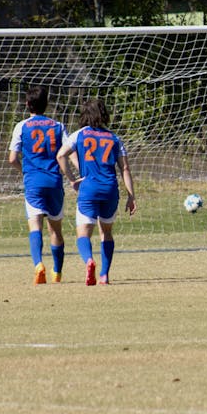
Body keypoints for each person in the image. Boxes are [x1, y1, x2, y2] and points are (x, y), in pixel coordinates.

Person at [56, 98, 137, 286]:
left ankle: (89, 260)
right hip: (110, 189)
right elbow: (125, 169)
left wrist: (72, 180)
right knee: (106, 233)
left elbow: (61, 155)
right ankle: (104, 275)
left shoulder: (79, 135)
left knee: (83, 234)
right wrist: (131, 196)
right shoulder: (115, 138)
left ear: (85, 115)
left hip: (89, 188)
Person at [9, 86, 68, 285]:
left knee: (35, 225)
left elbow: (12, 158)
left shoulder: (21, 126)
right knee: (55, 230)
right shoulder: (58, 126)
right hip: (54, 181)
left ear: (27, 105)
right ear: (47, 104)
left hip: (33, 182)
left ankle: (38, 265)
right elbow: (66, 153)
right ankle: (57, 273)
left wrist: (25, 170)